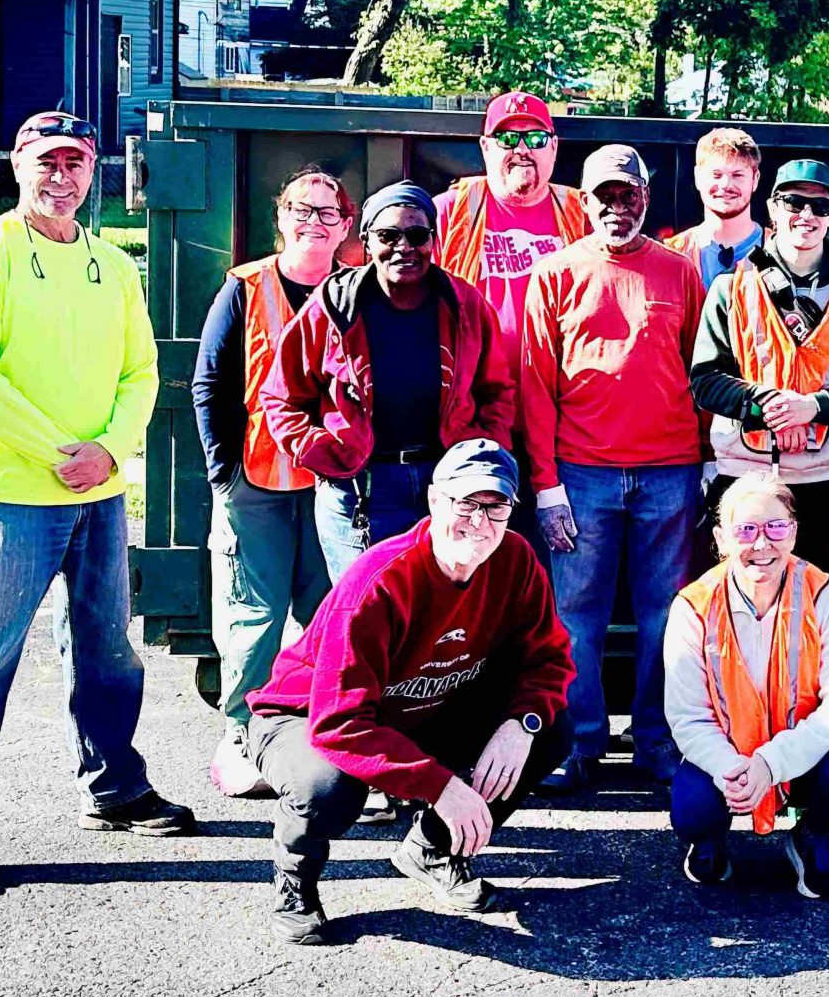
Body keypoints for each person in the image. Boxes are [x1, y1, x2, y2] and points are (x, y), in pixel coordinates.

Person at [0, 112, 193, 899]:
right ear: (18, 166)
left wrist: (109, 450)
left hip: (100, 495)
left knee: (106, 653)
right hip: (7, 496)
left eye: (76, 161)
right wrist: (60, 453)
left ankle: (114, 787)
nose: (61, 176)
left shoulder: (112, 265)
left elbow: (141, 373)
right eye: (46, 161)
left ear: (93, 170)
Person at [247, 440, 574, 945]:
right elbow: (339, 725)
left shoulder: (515, 560)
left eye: (496, 506)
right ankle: (295, 885)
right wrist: (442, 786)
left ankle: (433, 849)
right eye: (466, 503)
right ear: (435, 501)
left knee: (551, 730)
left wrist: (522, 722)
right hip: (305, 716)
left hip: (417, 708)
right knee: (329, 787)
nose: (480, 522)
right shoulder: (378, 582)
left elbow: (548, 658)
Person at [518, 144, 707, 793]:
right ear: (584, 201)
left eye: (628, 195)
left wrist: (706, 466)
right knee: (575, 616)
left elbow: (701, 371)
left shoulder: (680, 274)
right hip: (582, 474)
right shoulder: (554, 273)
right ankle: (579, 745)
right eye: (603, 196)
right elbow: (534, 385)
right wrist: (545, 486)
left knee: (667, 615)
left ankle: (657, 745)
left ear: (646, 200)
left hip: (670, 473)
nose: (615, 207)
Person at [190, 165, 354, 801]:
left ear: (345, 226)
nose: (314, 223)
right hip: (256, 482)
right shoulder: (245, 288)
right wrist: (222, 474)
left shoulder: (357, 289)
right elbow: (210, 383)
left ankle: (323, 733)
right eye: (301, 210)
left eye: (328, 213)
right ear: (280, 217)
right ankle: (240, 734)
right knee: (251, 619)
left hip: (335, 486)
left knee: (329, 616)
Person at [263, 182, 514, 583]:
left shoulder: (465, 305)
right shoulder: (333, 307)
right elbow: (280, 398)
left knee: (437, 608)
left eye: (417, 235)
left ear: (434, 239)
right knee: (365, 611)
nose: (404, 247)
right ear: (365, 240)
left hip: (447, 482)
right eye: (387, 235)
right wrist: (324, 452)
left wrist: (479, 452)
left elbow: (497, 391)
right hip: (360, 488)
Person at [689, 158, 829, 593]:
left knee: (823, 599)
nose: (806, 215)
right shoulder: (731, 287)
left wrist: (814, 408)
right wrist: (771, 408)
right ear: (771, 209)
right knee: (746, 595)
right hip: (746, 475)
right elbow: (706, 380)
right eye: (794, 202)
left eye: (820, 207)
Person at [662, 474, 829, 898]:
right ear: (722, 538)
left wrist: (771, 764)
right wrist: (733, 769)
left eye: (776, 527)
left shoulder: (828, 597)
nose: (762, 545)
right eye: (746, 530)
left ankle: (809, 836)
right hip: (729, 757)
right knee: (692, 809)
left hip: (803, 753)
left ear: (793, 532)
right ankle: (709, 844)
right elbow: (687, 716)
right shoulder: (693, 606)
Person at [435, 90, 591, 541]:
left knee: (556, 561)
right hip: (475, 419)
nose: (522, 149)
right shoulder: (448, 213)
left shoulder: (584, 212)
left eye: (535, 137)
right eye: (507, 138)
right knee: (473, 551)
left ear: (555, 147)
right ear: (485, 148)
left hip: (564, 422)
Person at [667, 127, 769, 290]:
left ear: (755, 179)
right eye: (716, 175)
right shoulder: (671, 254)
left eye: (737, 175)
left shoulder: (782, 250)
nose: (726, 184)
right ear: (698, 177)